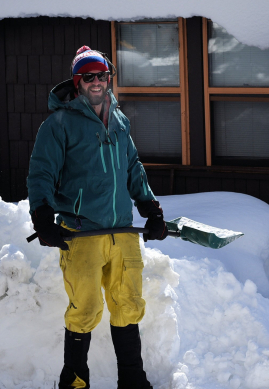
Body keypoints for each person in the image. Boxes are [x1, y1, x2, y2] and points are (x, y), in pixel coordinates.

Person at [27, 45, 168, 389]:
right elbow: (41, 173)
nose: (96, 82)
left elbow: (132, 166)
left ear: (109, 78)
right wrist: (43, 216)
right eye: (88, 77)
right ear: (77, 82)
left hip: (122, 232)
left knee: (127, 305)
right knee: (86, 309)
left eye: (102, 75)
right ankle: (74, 381)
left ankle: (133, 380)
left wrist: (150, 208)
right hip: (82, 233)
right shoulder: (59, 124)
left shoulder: (119, 119)